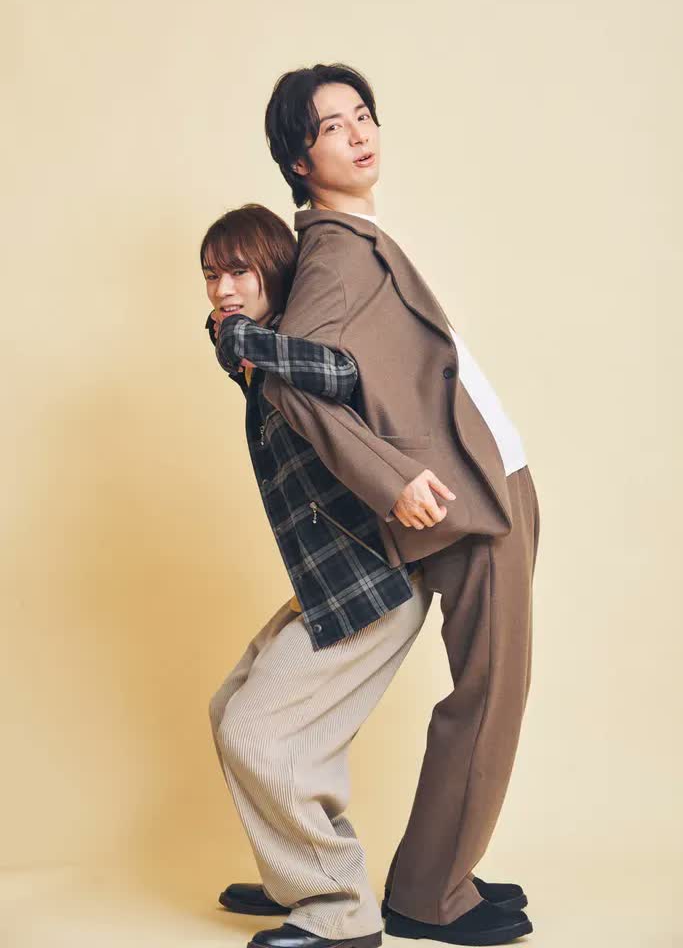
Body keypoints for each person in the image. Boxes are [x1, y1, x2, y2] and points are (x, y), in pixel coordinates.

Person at [212, 63, 539, 948]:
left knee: (484, 694)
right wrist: (391, 479)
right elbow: (294, 381)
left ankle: (431, 879)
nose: (357, 134)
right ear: (297, 160)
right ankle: (426, 897)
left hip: (479, 477)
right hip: (467, 493)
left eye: (363, 116)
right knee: (488, 696)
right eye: (331, 127)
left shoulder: (354, 237)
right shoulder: (332, 251)